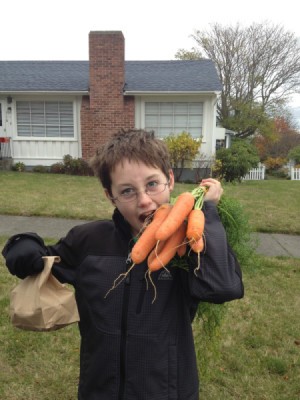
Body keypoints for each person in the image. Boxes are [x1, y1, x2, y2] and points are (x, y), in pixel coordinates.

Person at [2, 129, 244, 400]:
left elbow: (223, 287)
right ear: (110, 196)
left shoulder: (185, 248)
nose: (144, 200)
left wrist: (206, 212)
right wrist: (22, 245)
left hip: (167, 391)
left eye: (153, 184)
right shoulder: (89, 241)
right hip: (99, 390)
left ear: (171, 179)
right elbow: (41, 260)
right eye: (127, 190)